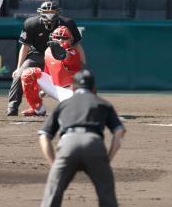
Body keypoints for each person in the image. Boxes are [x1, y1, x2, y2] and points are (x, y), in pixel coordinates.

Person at [38, 69, 126, 207]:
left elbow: (44, 135)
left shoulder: (63, 104)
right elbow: (119, 131)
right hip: (93, 144)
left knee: (53, 192)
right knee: (107, 194)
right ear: (94, 88)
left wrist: (53, 163)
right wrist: (108, 158)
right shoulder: (103, 103)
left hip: (68, 145)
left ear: (73, 88)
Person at [6, 0, 85, 117]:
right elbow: (25, 47)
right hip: (37, 54)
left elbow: (76, 46)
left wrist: (83, 66)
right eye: (46, 12)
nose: (49, 15)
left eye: (52, 12)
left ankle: (76, 101)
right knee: (22, 73)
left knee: (73, 78)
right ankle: (16, 106)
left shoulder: (68, 23)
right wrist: (18, 68)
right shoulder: (31, 23)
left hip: (60, 56)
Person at [21, 25, 83, 116]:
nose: (61, 40)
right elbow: (48, 72)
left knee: (71, 114)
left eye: (65, 38)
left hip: (69, 91)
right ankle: (38, 109)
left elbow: (65, 55)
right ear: (52, 38)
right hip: (54, 87)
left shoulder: (73, 52)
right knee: (28, 73)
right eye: (58, 37)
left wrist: (60, 50)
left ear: (71, 40)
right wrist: (43, 91)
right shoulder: (48, 51)